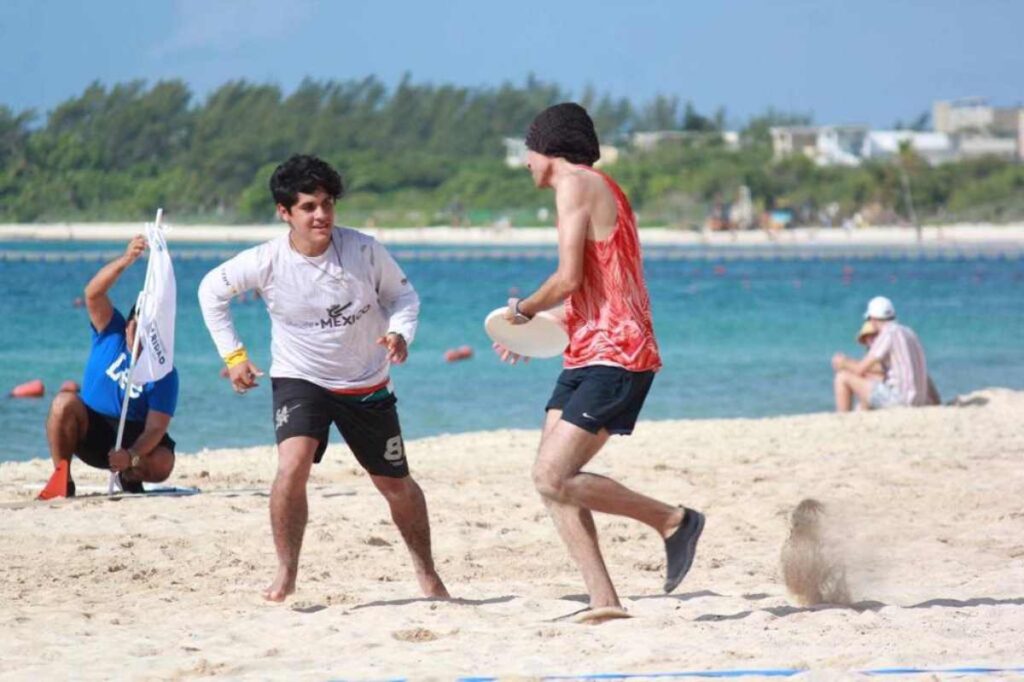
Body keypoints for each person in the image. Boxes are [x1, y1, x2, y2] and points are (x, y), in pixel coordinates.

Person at [197, 154, 448, 602]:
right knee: (291, 468)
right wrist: (235, 356)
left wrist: (398, 332)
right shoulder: (266, 261)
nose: (322, 215)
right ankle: (286, 572)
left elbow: (403, 296)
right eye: (309, 206)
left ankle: (427, 573)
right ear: (284, 212)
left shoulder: (364, 250)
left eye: (328, 204)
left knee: (395, 484)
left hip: (366, 382)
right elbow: (211, 291)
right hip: (301, 378)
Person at [494, 103, 704, 617]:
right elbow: (595, 287)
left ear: (547, 148)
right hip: (587, 352)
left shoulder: (577, 184)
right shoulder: (597, 187)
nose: (523, 162)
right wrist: (532, 331)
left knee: (552, 475)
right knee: (552, 482)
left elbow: (566, 277)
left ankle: (673, 520)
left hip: (619, 355)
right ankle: (604, 599)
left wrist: (520, 308)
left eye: (527, 149)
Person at [37, 235, 178, 499]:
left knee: (162, 463)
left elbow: (155, 428)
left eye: (149, 333)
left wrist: (132, 456)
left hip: (135, 437)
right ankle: (62, 477)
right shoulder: (109, 332)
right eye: (137, 328)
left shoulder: (163, 370)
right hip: (92, 427)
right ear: (128, 325)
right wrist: (126, 260)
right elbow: (93, 293)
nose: (140, 338)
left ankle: (130, 476)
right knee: (62, 403)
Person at [832, 296, 932, 411]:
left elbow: (860, 369)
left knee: (842, 377)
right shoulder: (909, 332)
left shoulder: (888, 332)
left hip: (900, 400)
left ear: (872, 319)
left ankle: (843, 419)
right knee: (868, 391)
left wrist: (843, 362)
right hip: (918, 400)